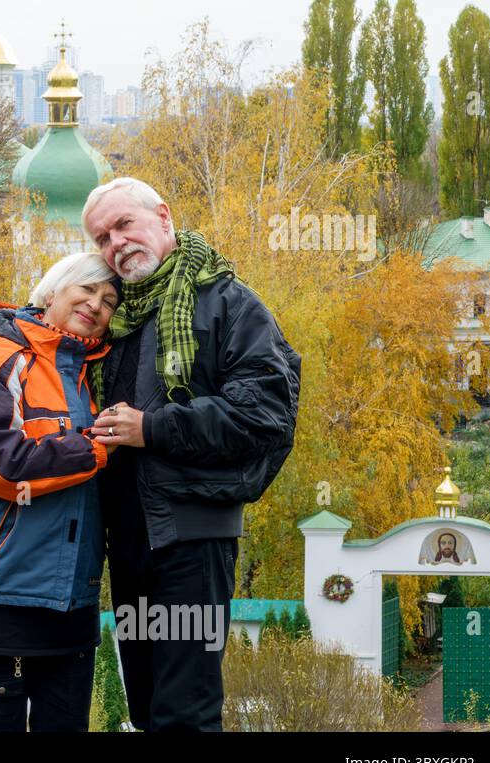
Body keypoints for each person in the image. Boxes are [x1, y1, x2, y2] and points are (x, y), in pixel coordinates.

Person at [83, 178, 301, 732]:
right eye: (102, 237)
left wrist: (152, 429)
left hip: (192, 539)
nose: (116, 243)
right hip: (128, 545)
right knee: (149, 707)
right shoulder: (115, 315)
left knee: (186, 712)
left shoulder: (227, 302)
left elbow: (264, 416)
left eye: (124, 224)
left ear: (163, 215)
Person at [0, 252, 120, 732]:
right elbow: (0, 463)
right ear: (53, 291)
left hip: (70, 611)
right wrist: (91, 451)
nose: (96, 305)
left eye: (109, 300)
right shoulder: (1, 358)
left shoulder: (93, 374)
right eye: (86, 289)